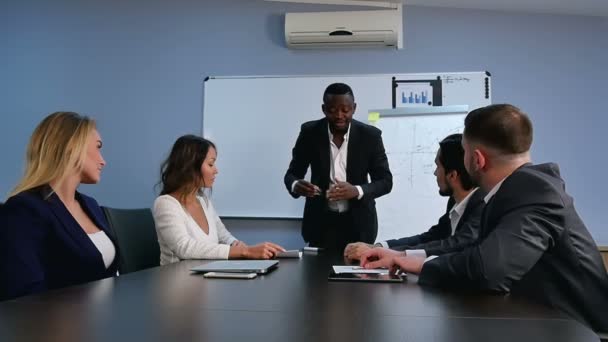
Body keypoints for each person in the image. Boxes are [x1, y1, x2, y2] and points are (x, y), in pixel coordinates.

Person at [361, 104, 608, 332]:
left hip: (576, 329)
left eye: (465, 151)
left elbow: (488, 270)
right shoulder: (515, 191)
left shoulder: (535, 194)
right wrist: (407, 258)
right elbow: (475, 250)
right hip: (540, 321)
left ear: (477, 159)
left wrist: (421, 264)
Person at [0, 112, 119, 300]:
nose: (103, 161)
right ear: (72, 148)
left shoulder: (90, 205)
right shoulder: (24, 210)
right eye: (98, 147)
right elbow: (24, 296)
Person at [284, 83, 393, 252]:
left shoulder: (370, 136)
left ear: (354, 108)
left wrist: (357, 190)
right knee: (315, 276)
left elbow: (386, 182)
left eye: (345, 110)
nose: (339, 115)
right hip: (320, 224)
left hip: (359, 226)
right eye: (332, 110)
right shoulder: (310, 132)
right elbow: (292, 174)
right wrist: (296, 185)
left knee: (358, 276)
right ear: (324, 109)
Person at [344, 133, 485, 261]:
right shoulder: (455, 201)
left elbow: (453, 245)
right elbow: (430, 238)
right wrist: (379, 247)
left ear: (452, 175)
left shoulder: (482, 205)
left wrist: (389, 254)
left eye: (438, 167)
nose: (435, 173)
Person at [153, 135, 285, 265]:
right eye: (210, 164)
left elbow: (224, 237)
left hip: (205, 278)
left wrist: (237, 244)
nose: (216, 170)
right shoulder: (165, 203)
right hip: (177, 283)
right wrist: (244, 251)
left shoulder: (204, 202)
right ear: (191, 166)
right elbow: (184, 248)